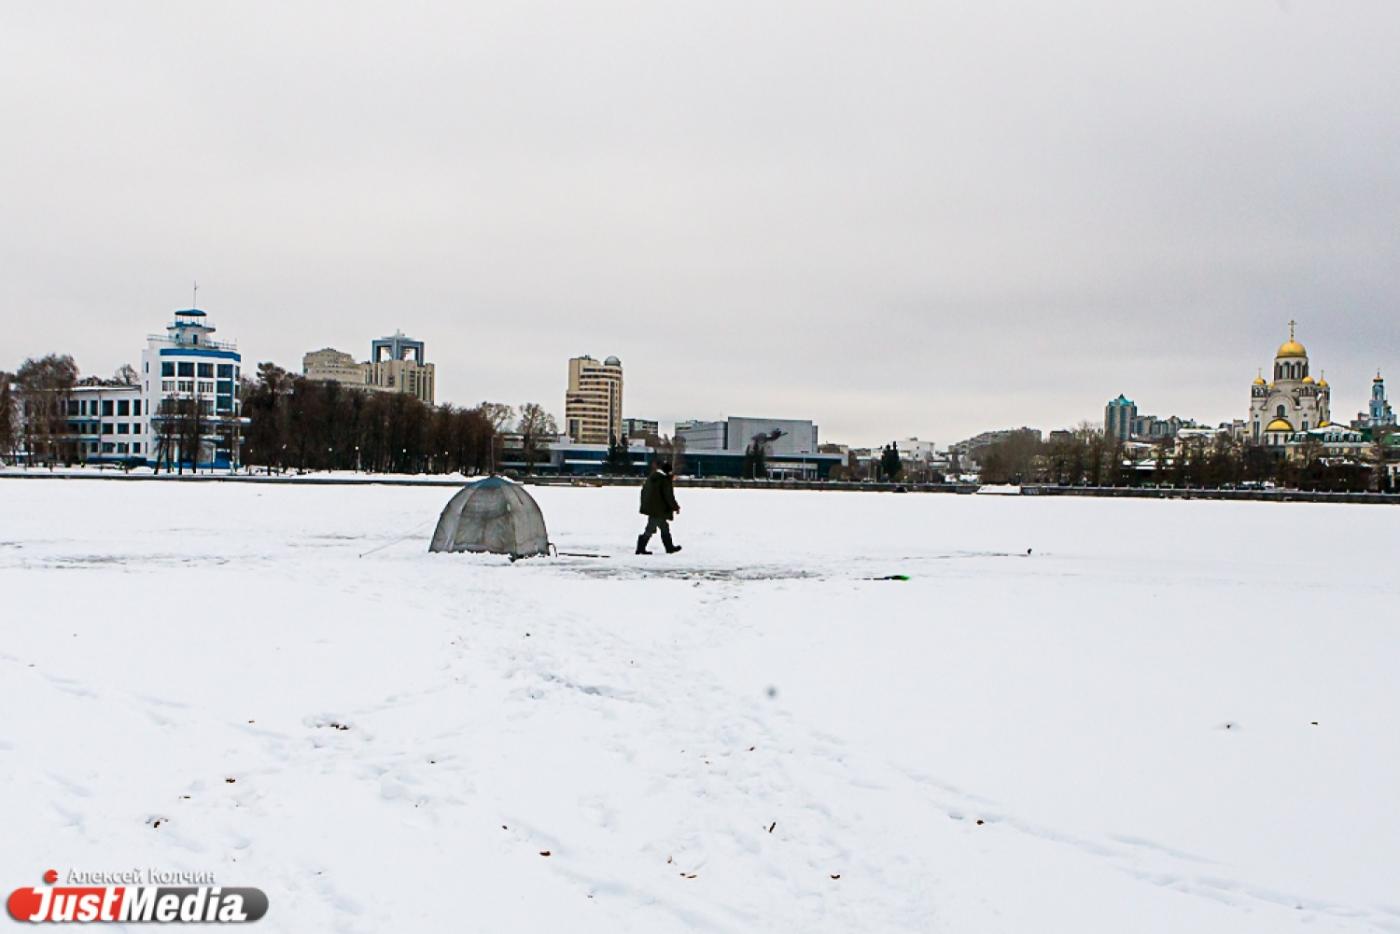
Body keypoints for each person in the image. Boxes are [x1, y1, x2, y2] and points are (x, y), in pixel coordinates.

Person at [637, 460, 682, 555]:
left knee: (664, 527)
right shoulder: (664, 480)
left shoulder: (653, 478)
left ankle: (669, 547)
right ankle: (641, 548)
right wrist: (675, 507)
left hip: (653, 508)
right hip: (658, 510)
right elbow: (668, 496)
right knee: (650, 529)